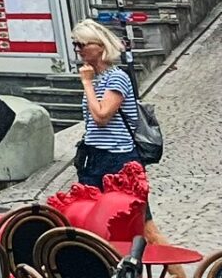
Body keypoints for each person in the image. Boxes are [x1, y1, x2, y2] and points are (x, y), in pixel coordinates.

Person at [72, 19, 183, 274]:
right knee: (93, 228)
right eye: (75, 45)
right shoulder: (96, 77)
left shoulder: (116, 78)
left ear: (99, 47)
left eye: (82, 45)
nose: (78, 50)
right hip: (93, 159)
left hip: (120, 162)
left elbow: (101, 116)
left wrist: (87, 84)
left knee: (146, 227)